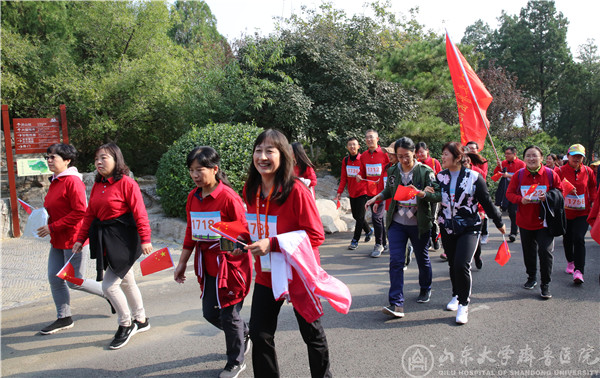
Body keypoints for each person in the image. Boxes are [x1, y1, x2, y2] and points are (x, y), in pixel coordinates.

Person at [241, 129, 331, 377]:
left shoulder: (297, 191)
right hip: (266, 275)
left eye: (270, 150)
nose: (262, 156)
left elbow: (316, 235)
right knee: (260, 334)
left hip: (299, 274)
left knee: (312, 335)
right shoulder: (250, 190)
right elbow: (251, 227)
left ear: (283, 156)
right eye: (258, 150)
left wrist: (273, 244)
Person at [174, 146, 252, 378]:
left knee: (229, 315)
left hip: (231, 267)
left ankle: (235, 362)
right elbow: (191, 232)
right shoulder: (193, 197)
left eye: (200, 169)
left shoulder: (228, 197)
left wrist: (224, 247)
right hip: (207, 266)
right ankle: (243, 333)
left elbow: (243, 235)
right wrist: (182, 263)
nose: (195, 175)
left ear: (215, 169)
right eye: (191, 170)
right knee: (210, 313)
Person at [72, 142, 152, 350]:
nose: (99, 162)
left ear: (116, 159)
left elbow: (139, 213)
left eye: (104, 158)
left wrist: (146, 239)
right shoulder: (99, 184)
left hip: (125, 240)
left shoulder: (127, 183)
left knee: (109, 286)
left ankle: (126, 323)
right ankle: (141, 319)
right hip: (107, 239)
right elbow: (90, 214)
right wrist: (81, 238)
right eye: (97, 159)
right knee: (127, 280)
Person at [37, 143, 113, 335]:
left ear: (67, 160)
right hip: (57, 239)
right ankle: (64, 317)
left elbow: (80, 212)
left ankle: (111, 292)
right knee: (55, 278)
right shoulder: (55, 180)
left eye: (53, 157)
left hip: (74, 240)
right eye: (48, 157)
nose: (49, 161)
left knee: (73, 280)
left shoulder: (72, 181)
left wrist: (52, 226)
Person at [366, 137, 440, 318]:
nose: (403, 160)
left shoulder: (425, 172)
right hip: (397, 223)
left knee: (423, 258)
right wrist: (378, 198)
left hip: (419, 223)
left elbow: (438, 195)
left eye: (406, 156)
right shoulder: (392, 171)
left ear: (414, 152)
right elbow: (389, 191)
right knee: (396, 261)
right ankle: (396, 303)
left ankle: (425, 288)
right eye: (399, 157)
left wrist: (422, 193)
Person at [435, 142, 505, 324]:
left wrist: (498, 222)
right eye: (442, 154)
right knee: (452, 264)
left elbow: (487, 202)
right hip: (447, 226)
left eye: (445, 154)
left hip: (470, 227)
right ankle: (456, 295)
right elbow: (433, 199)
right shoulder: (440, 177)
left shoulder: (475, 177)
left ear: (458, 157)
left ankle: (464, 305)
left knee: (461, 264)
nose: (442, 157)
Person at [506, 145, 562, 300]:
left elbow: (560, 192)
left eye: (534, 156)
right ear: (524, 159)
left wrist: (548, 197)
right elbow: (509, 194)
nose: (531, 159)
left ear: (541, 158)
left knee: (545, 252)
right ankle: (531, 277)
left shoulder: (551, 174)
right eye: (528, 156)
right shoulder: (519, 175)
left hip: (545, 222)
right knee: (529, 252)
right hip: (525, 222)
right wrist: (520, 200)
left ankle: (545, 284)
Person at [557, 144, 596, 284]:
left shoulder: (588, 171)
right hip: (566, 212)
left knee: (579, 238)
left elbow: (592, 187)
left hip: (582, 212)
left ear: (583, 158)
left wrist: (592, 201)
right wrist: (566, 188)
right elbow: (555, 188)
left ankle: (579, 271)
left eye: (579, 156)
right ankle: (570, 261)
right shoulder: (560, 170)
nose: (576, 158)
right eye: (574, 156)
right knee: (567, 238)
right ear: (568, 156)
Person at [356, 129, 389, 257]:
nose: (369, 140)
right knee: (378, 218)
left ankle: (378, 244)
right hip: (370, 191)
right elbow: (363, 172)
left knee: (376, 217)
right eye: (367, 138)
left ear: (377, 139)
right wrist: (359, 176)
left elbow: (390, 168)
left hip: (382, 191)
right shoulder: (363, 156)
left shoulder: (384, 153)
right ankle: (384, 243)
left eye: (372, 137)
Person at [334, 137, 372, 250]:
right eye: (350, 145)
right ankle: (369, 231)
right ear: (347, 147)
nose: (352, 147)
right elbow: (343, 178)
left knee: (360, 217)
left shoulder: (363, 159)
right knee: (356, 216)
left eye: (354, 144)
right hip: (352, 192)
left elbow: (368, 175)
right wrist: (339, 192)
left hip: (363, 192)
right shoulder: (346, 161)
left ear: (359, 146)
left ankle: (355, 240)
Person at [415, 142, 443, 255]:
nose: (420, 154)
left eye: (422, 151)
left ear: (427, 151)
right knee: (423, 217)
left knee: (433, 218)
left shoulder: (434, 162)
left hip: (433, 195)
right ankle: (427, 242)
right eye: (418, 152)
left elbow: (441, 177)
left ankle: (436, 240)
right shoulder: (416, 164)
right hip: (421, 195)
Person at [493, 146, 526, 242]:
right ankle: (515, 229)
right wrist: (499, 166)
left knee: (513, 212)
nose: (506, 155)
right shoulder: (503, 163)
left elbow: (522, 177)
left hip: (517, 192)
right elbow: (496, 174)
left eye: (508, 154)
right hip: (505, 192)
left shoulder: (521, 164)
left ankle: (513, 233)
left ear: (514, 154)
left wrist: (508, 175)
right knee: (508, 212)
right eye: (505, 154)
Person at [466, 142, 490, 246]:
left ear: (477, 149)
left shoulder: (481, 162)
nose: (471, 150)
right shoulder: (461, 161)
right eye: (469, 148)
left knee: (482, 214)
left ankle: (484, 233)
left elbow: (483, 176)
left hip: (478, 189)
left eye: (473, 148)